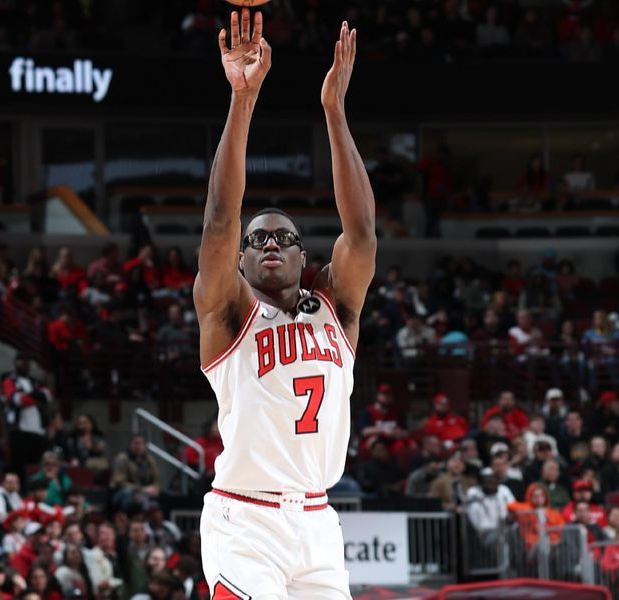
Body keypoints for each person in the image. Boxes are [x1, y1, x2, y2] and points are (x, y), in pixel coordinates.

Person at [194, 12, 376, 599]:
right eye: (257, 240)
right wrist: (242, 100)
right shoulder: (226, 316)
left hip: (318, 525)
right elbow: (222, 219)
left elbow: (364, 233)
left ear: (306, 259)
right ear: (241, 264)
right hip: (245, 523)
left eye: (284, 238)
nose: (269, 242)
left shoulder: (338, 310)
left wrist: (334, 112)